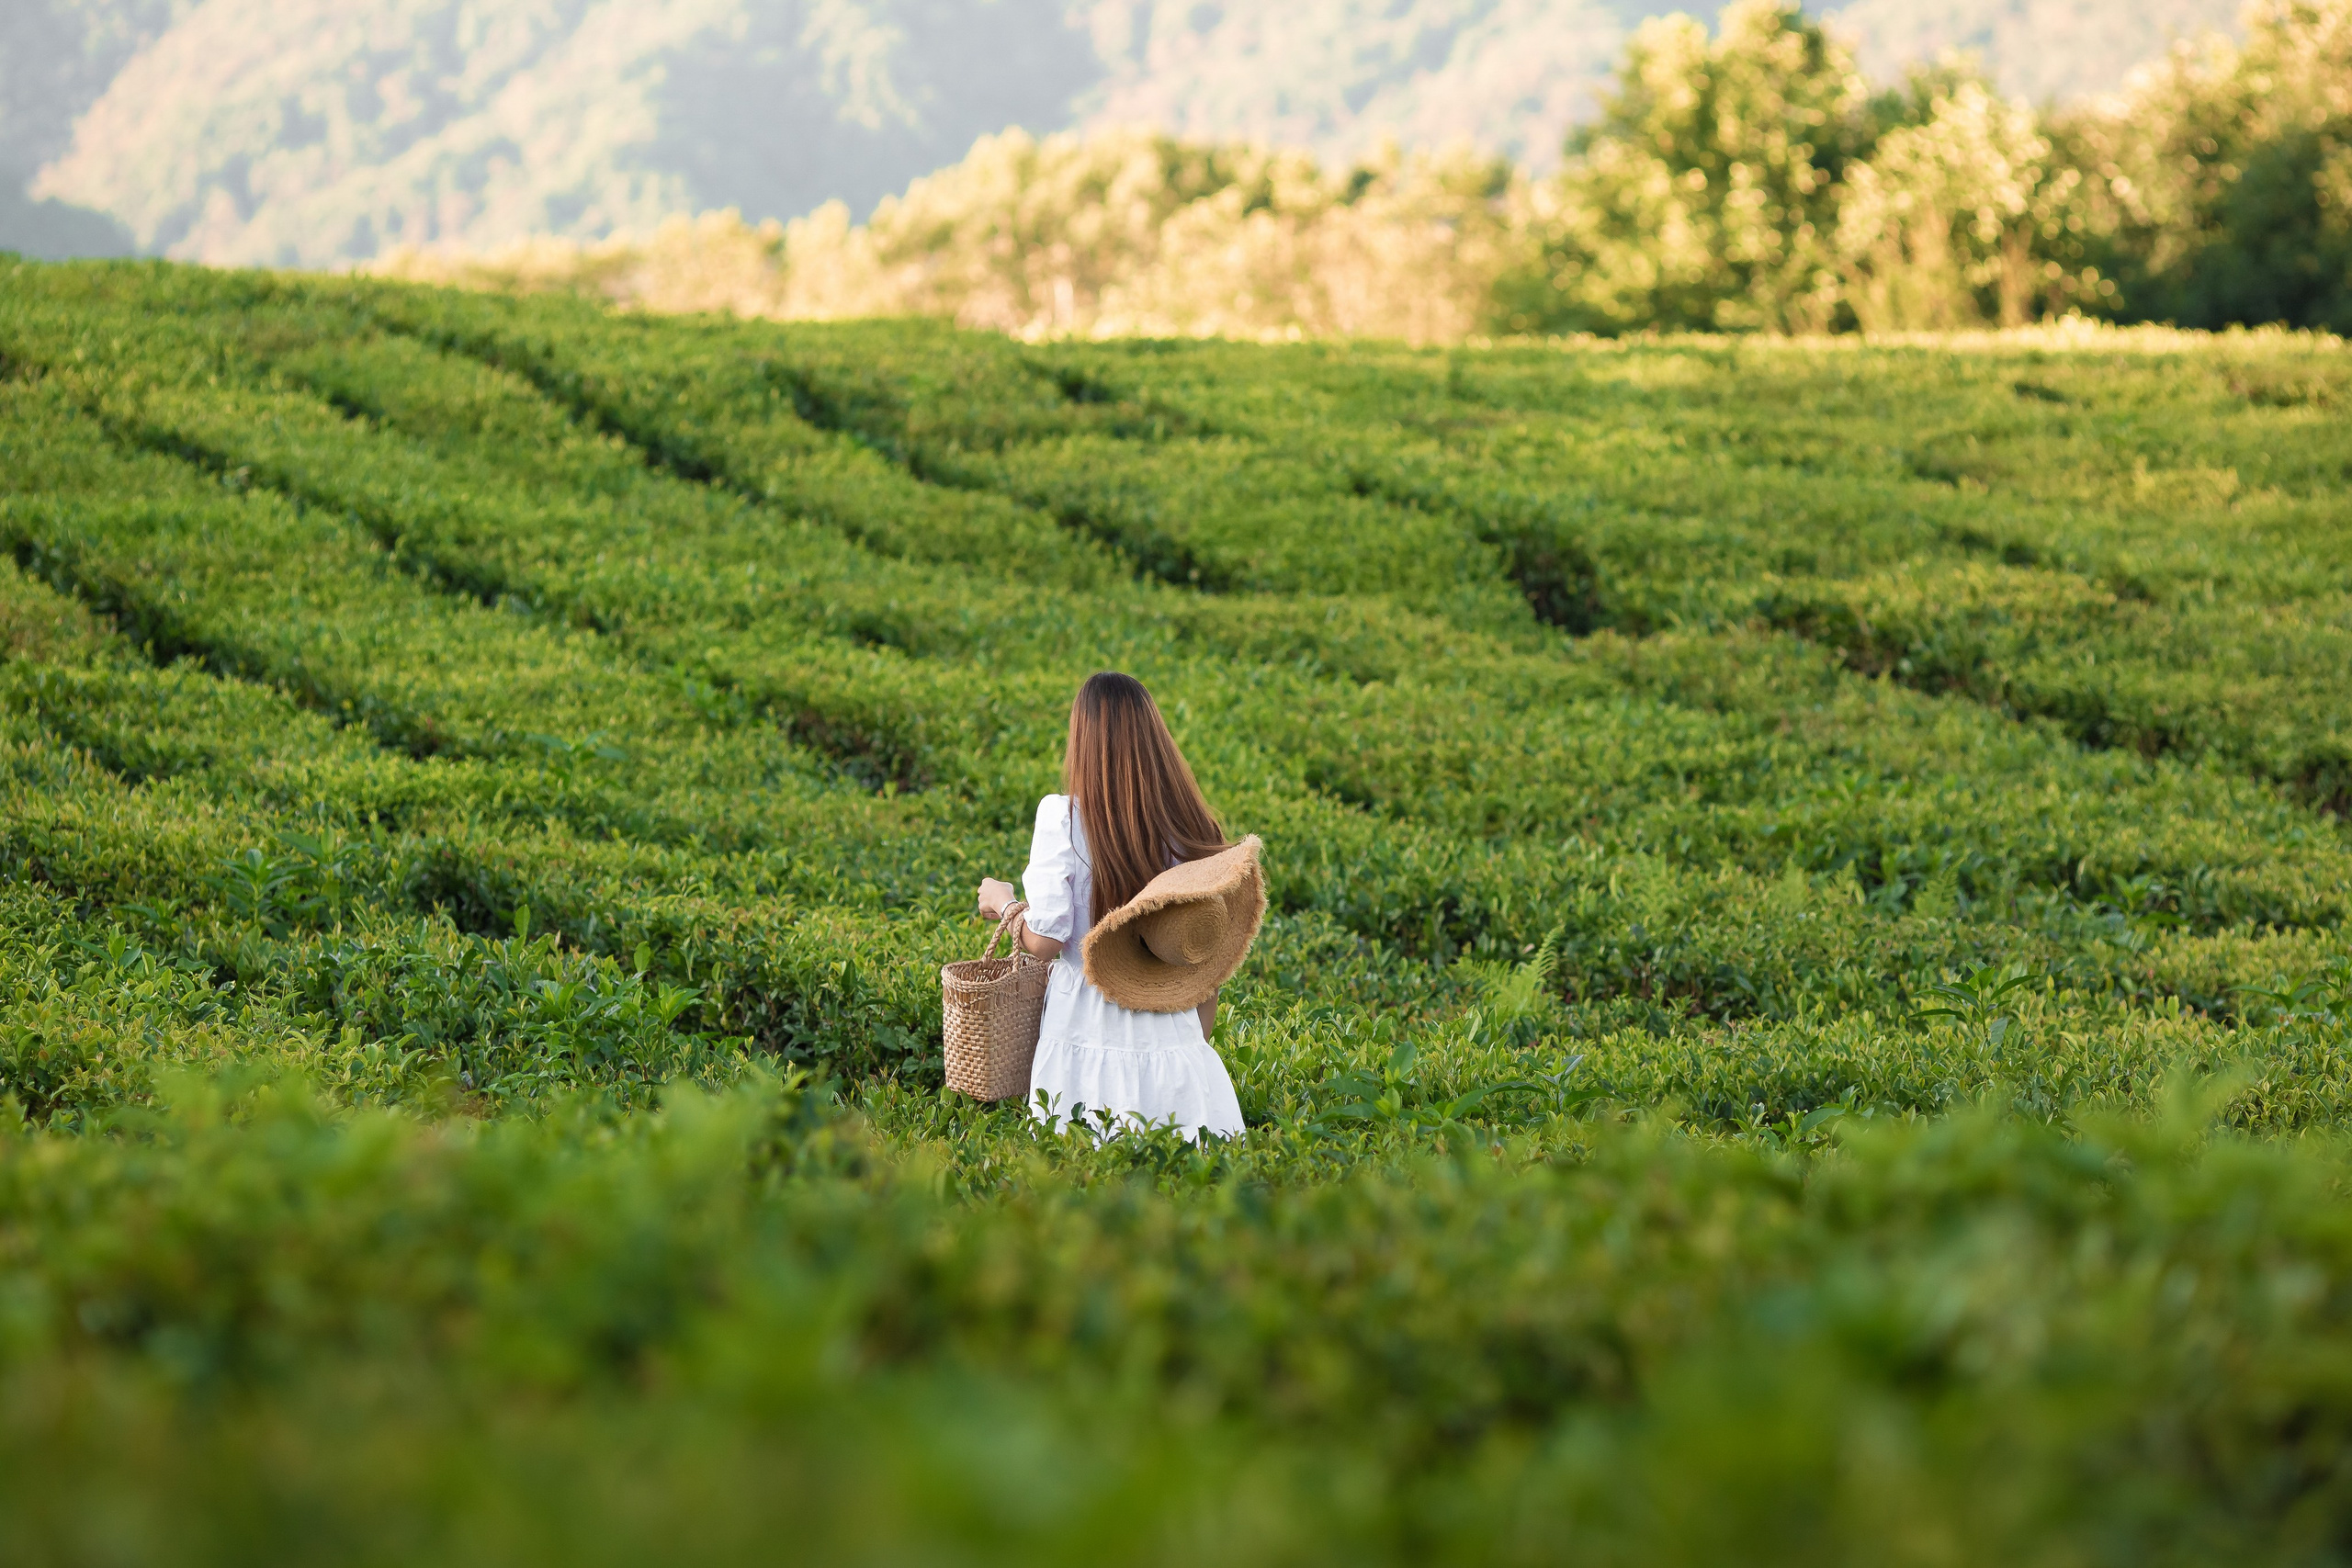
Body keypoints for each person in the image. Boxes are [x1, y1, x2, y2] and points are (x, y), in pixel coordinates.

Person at [977, 671, 1248, 1142]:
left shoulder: (1062, 817)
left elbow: (1045, 942)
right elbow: (1202, 953)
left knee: (1083, 1179)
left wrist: (1005, 905)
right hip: (1172, 1030)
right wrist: (1188, 1040)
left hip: (1082, 1032)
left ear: (1083, 741)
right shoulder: (1187, 826)